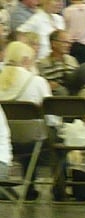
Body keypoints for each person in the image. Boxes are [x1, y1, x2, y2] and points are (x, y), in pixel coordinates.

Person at [0, 40, 51, 200]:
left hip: (6, 141)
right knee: (51, 138)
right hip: (31, 139)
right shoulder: (37, 81)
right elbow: (51, 116)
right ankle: (58, 188)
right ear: (26, 60)